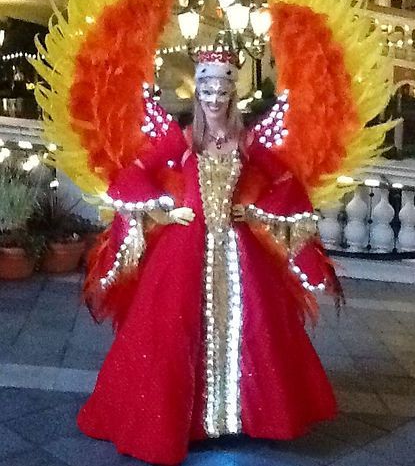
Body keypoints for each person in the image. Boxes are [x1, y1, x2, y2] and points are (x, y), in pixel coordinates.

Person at [77, 50, 341, 465]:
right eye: (207, 89)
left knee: (253, 327)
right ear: (197, 91)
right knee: (173, 332)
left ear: (232, 92)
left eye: (222, 89)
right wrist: (166, 210)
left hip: (237, 249)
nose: (214, 97)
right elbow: (134, 174)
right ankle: (177, 422)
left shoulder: (246, 140)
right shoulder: (183, 138)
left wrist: (253, 211)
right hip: (183, 248)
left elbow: (286, 181)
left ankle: (240, 417)